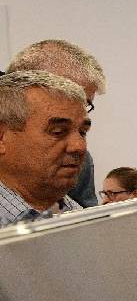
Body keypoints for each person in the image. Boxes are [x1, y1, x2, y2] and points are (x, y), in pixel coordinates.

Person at [6, 39, 107, 207]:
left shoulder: (80, 163)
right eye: (69, 95)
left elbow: (88, 226)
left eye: (85, 103)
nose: (78, 147)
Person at [0, 71, 91, 227]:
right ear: (2, 138)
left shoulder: (83, 219)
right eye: (58, 132)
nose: (79, 146)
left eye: (82, 132)